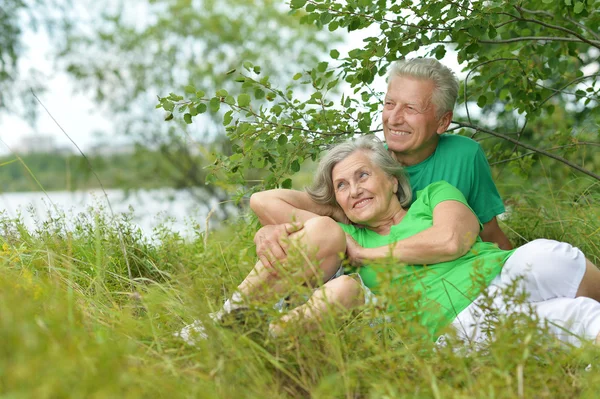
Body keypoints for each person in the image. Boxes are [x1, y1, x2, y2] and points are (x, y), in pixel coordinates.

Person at [178, 136, 600, 346]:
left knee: (552, 257)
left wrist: (368, 252)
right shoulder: (345, 233)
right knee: (579, 315)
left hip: (504, 279)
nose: (354, 188)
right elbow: (263, 200)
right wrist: (331, 211)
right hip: (457, 324)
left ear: (392, 178)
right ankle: (228, 322)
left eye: (362, 176)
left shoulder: (435, 195)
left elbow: (452, 240)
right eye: (341, 185)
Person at [253, 58, 511, 280]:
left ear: (443, 121)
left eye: (410, 108)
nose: (394, 118)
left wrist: (512, 272)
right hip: (379, 287)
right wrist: (272, 230)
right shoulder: (363, 170)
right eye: (389, 104)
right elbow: (274, 204)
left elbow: (489, 233)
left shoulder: (464, 156)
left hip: (456, 275)